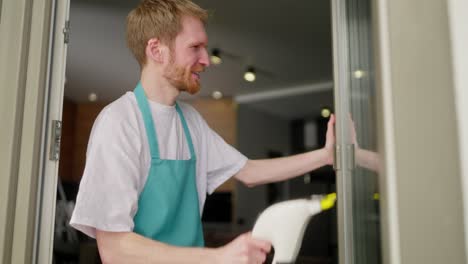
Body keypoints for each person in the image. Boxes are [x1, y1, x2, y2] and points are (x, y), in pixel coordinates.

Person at [70, 0, 335, 263]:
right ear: (156, 50)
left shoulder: (191, 122)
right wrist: (219, 257)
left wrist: (324, 157)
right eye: (195, 47)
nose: (206, 60)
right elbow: (115, 249)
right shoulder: (120, 121)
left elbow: (249, 172)